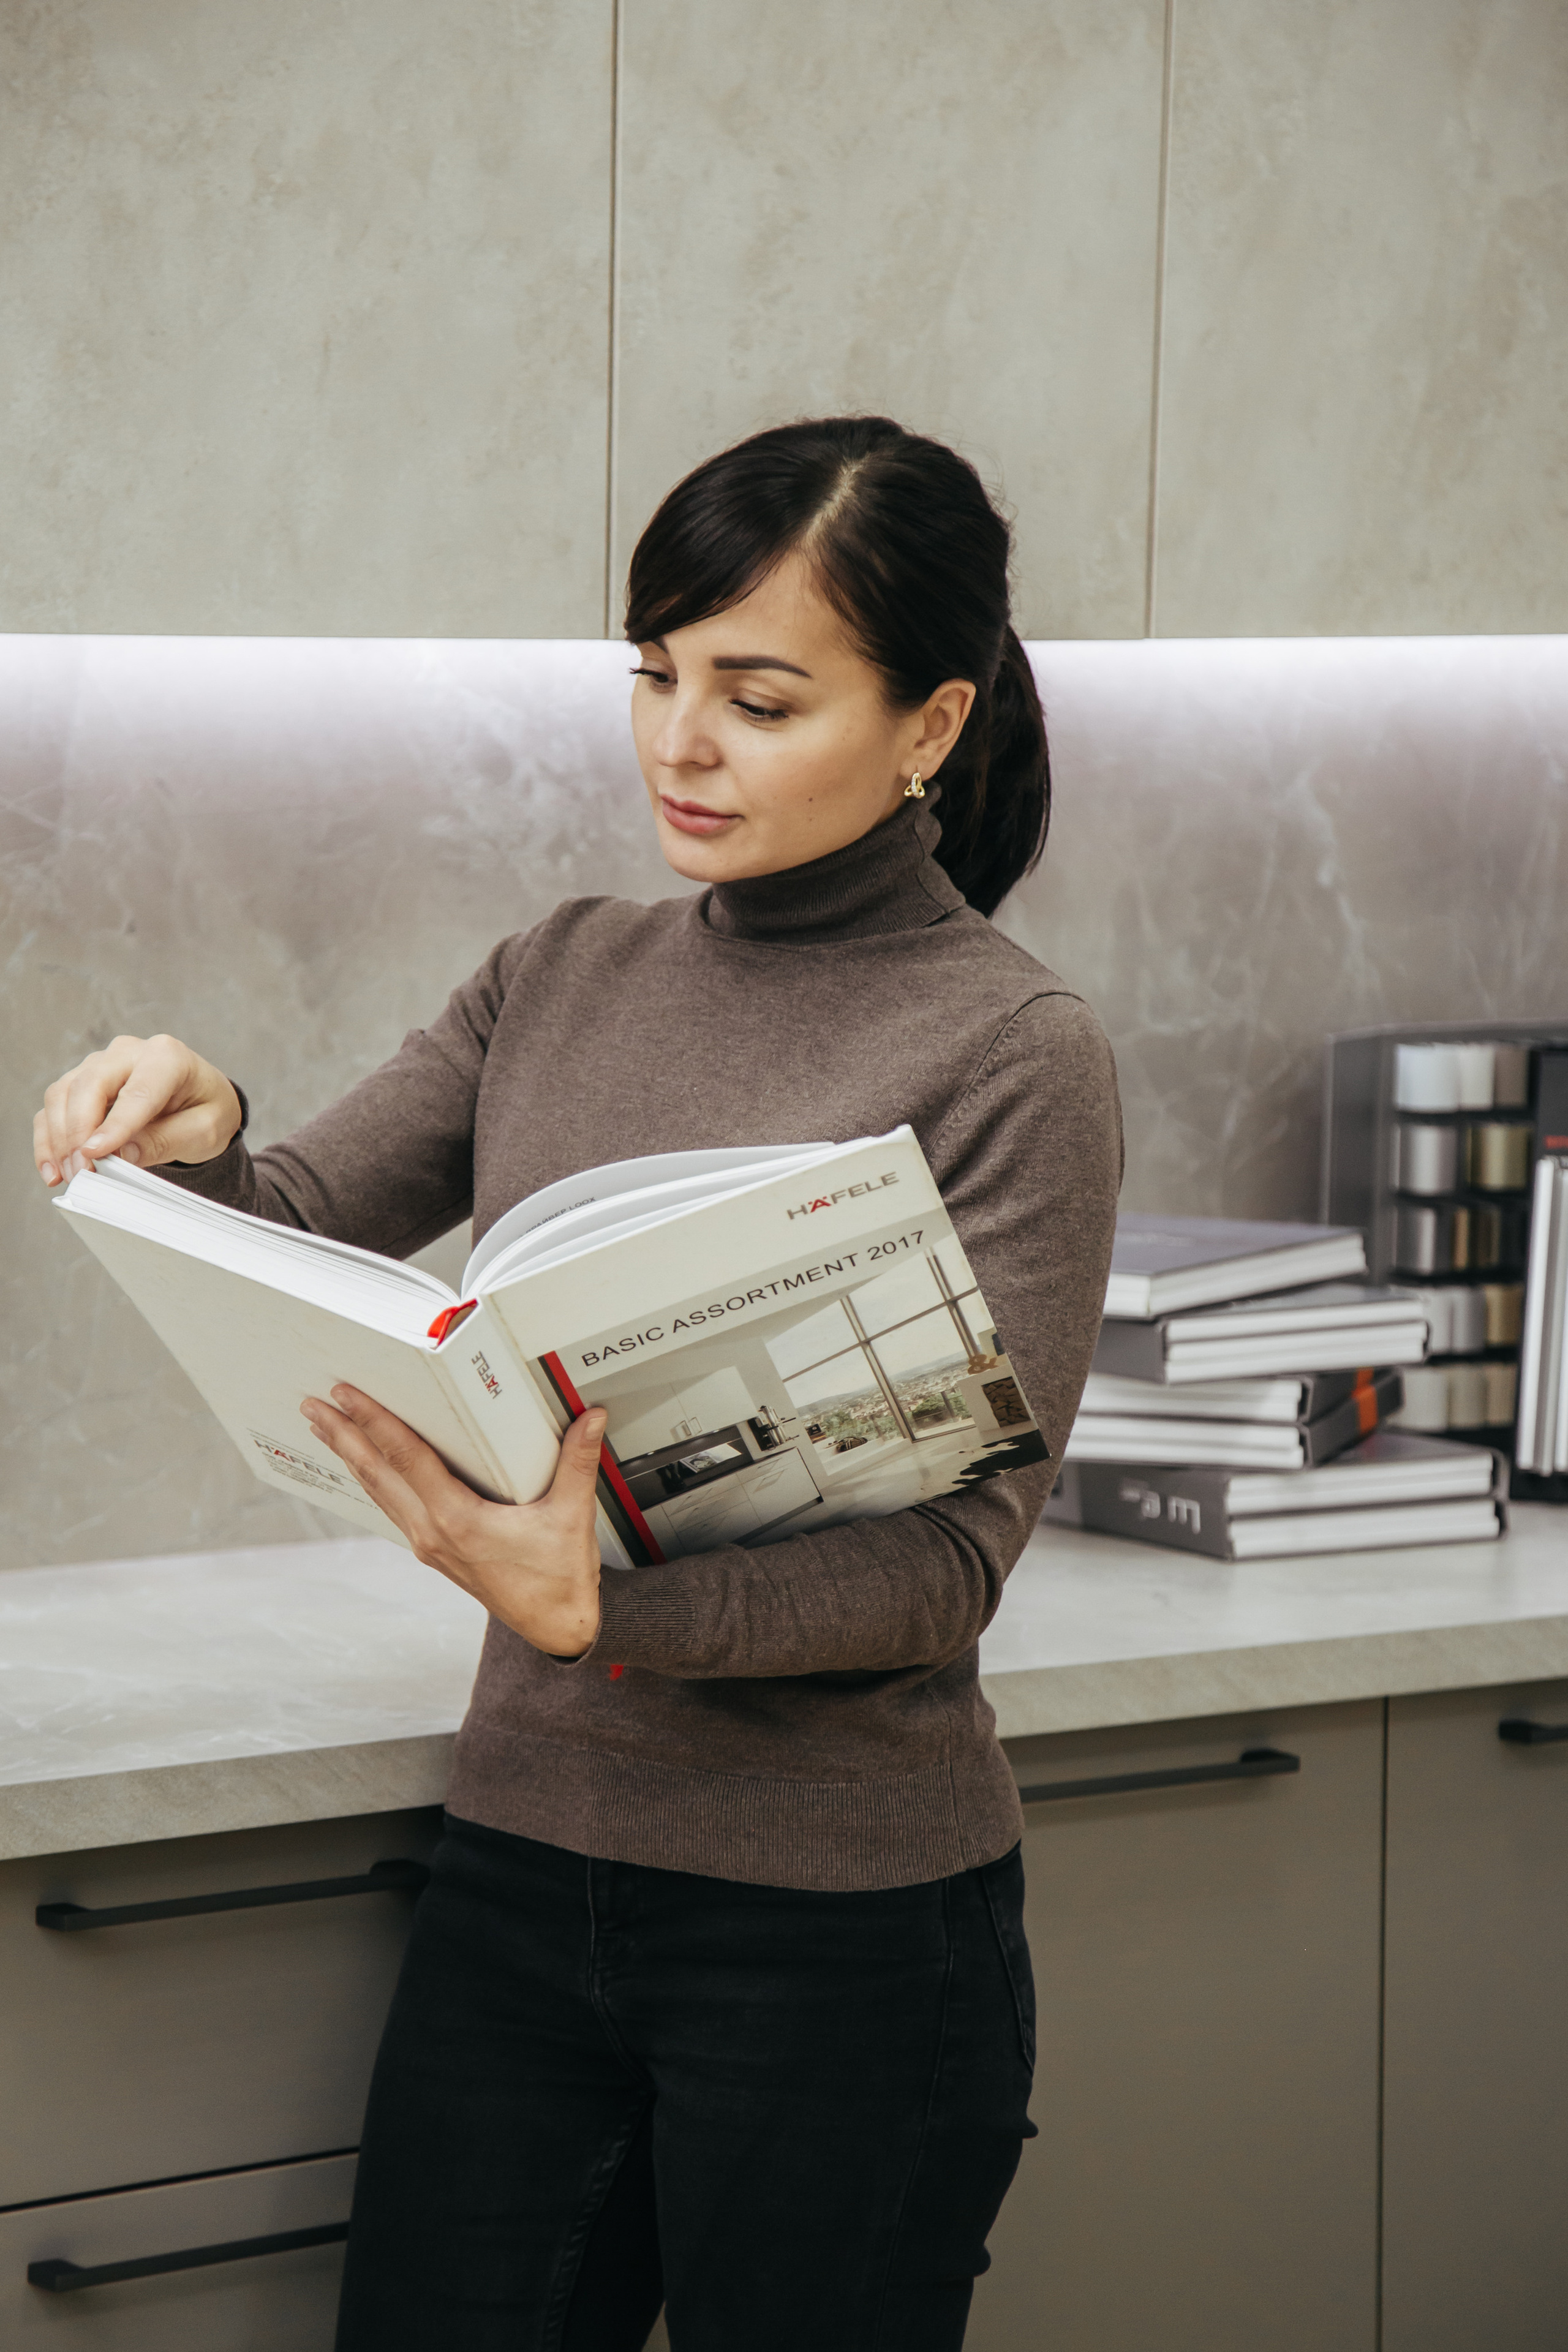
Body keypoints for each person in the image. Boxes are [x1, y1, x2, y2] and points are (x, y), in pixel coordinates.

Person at [34, 416, 1121, 2351]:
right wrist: (193, 1135)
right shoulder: (560, 969)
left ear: (931, 726)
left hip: (849, 1940)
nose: (679, 745)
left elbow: (956, 1559)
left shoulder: (1016, 1051)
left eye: (759, 696)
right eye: (657, 677)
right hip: (526, 1881)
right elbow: (301, 1225)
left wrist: (609, 1608)